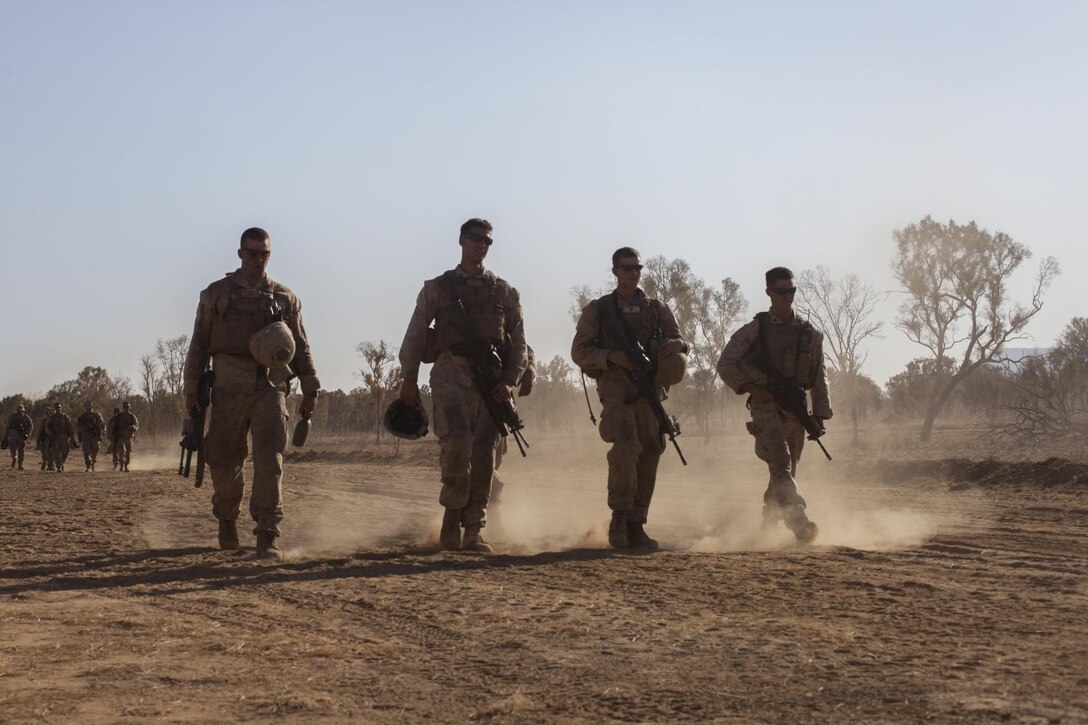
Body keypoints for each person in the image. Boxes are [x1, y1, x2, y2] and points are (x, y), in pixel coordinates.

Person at [183, 227, 320, 561]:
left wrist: (311, 385)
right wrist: (191, 392)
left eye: (264, 254)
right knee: (224, 460)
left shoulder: (286, 298)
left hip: (270, 388)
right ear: (240, 254)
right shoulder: (215, 295)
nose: (258, 259)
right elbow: (199, 345)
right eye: (252, 253)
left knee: (269, 459)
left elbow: (300, 345)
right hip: (228, 388)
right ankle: (227, 518)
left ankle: (267, 533)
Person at [397, 218, 528, 552]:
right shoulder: (438, 288)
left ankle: (474, 527)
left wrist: (509, 381)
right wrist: (408, 379)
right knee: (457, 445)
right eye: (474, 238)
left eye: (486, 241)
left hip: (491, 384)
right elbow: (414, 334)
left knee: (484, 454)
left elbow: (518, 342)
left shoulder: (504, 292)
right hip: (450, 374)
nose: (480, 245)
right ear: (461, 241)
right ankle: (452, 516)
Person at [571, 247, 688, 549]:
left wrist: (679, 344)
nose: (633, 273)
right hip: (615, 388)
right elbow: (579, 351)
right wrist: (611, 357)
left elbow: (678, 340)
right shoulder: (599, 309)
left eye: (637, 268)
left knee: (651, 449)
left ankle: (637, 522)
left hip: (649, 387)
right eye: (627, 268)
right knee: (625, 446)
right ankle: (619, 517)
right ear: (615, 272)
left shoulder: (656, 308)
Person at [716, 266, 832, 545]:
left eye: (791, 291)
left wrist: (820, 414)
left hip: (796, 407)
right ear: (769, 292)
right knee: (779, 463)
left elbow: (818, 375)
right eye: (781, 291)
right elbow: (726, 364)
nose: (787, 296)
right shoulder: (756, 330)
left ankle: (769, 517)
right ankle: (798, 520)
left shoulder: (809, 333)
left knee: (786, 468)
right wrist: (751, 388)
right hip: (765, 405)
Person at [489, 345, 535, 507]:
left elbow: (523, 348)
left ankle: (489, 509)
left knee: (491, 459)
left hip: (495, 401)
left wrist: (529, 371)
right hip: (460, 396)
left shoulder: (499, 323)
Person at [45, 402, 76, 473]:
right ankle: (58, 466)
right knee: (57, 452)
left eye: (59, 407)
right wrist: (50, 433)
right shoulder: (52, 417)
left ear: (61, 408)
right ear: (54, 408)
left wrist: (72, 436)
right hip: (55, 437)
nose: (58, 409)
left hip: (64, 437)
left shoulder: (65, 417)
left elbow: (70, 427)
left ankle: (61, 463)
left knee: (66, 451)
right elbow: (47, 427)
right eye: (56, 408)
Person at [76, 400, 105, 472]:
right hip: (86, 435)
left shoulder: (97, 415)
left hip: (95, 435)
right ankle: (88, 465)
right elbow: (78, 427)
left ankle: (93, 464)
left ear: (92, 406)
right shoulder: (82, 416)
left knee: (96, 450)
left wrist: (102, 432)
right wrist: (84, 429)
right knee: (86, 451)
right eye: (87, 405)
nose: (88, 406)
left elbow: (102, 424)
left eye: (90, 405)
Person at [5, 404, 33, 470]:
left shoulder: (12, 417)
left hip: (14, 434)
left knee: (13, 448)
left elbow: (7, 426)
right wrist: (27, 433)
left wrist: (6, 435)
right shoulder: (26, 417)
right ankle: (20, 464)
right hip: (21, 434)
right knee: (21, 450)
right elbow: (31, 426)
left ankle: (14, 457)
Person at [115, 401, 140, 472]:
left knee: (128, 453)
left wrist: (133, 427)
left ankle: (126, 466)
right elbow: (114, 426)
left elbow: (136, 425)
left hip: (129, 437)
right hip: (121, 437)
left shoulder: (132, 416)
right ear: (123, 407)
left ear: (129, 407)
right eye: (125, 407)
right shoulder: (119, 416)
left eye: (127, 407)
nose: (126, 408)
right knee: (122, 451)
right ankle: (121, 466)